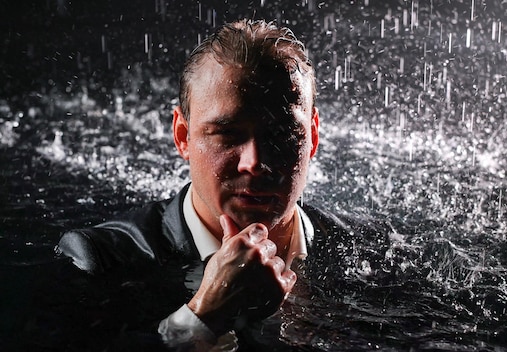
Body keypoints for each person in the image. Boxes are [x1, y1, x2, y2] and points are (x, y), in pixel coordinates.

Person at [57, 19, 389, 350]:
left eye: (282, 134)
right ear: (183, 137)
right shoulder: (100, 261)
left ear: (313, 138)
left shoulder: (376, 254)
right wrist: (204, 315)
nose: (255, 162)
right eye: (228, 133)